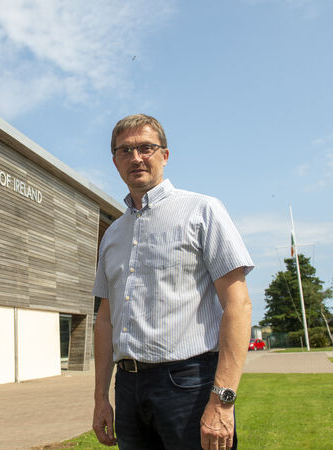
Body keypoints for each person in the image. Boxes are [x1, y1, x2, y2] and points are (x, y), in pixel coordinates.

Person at [91, 114, 253, 449]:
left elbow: (238, 305)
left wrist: (223, 400)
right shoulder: (112, 236)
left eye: (145, 148)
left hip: (189, 385)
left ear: (165, 155)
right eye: (125, 150)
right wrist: (100, 398)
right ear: (115, 161)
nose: (136, 157)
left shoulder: (203, 211)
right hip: (128, 388)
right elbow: (105, 320)